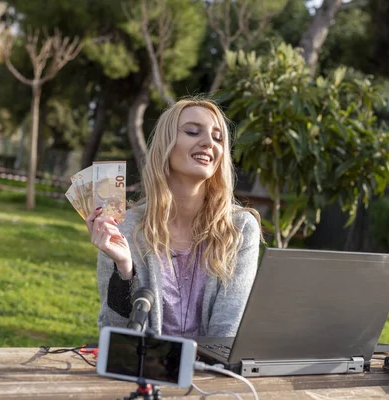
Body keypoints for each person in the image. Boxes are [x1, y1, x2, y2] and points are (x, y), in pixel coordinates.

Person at [86, 97, 262, 337]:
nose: (209, 142)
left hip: (210, 371)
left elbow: (227, 332)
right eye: (192, 131)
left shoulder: (239, 229)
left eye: (218, 137)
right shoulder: (123, 228)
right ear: (166, 145)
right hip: (144, 370)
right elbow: (116, 336)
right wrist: (124, 269)